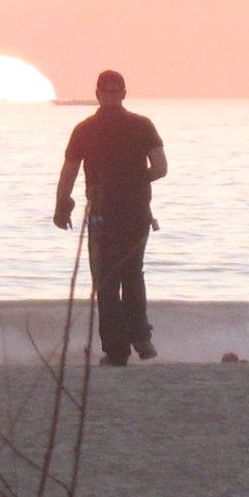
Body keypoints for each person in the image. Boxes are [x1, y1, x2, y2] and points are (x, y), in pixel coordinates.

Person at [54, 69, 168, 366]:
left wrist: (61, 206)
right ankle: (141, 337)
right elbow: (160, 168)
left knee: (106, 282)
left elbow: (69, 172)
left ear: (97, 95)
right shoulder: (142, 125)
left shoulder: (84, 129)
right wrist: (134, 180)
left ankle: (116, 350)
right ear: (124, 94)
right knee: (133, 274)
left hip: (103, 215)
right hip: (137, 213)